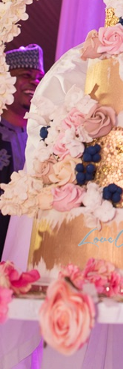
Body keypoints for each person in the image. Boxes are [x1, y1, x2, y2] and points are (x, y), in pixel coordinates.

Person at [0, 44, 44, 257]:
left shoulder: (42, 139)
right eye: (26, 75)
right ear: (5, 81)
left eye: (38, 77)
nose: (35, 82)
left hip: (23, 248)